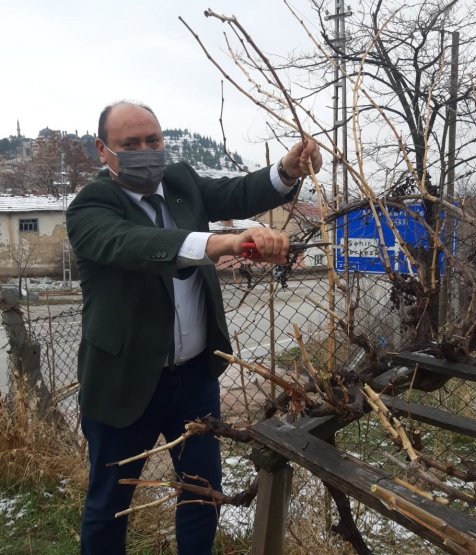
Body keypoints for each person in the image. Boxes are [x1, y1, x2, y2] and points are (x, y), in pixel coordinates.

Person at [66, 100, 322, 555]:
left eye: (153, 140)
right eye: (131, 144)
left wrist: (285, 170)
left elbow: (237, 192)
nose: (146, 151)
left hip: (193, 381)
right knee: (109, 504)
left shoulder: (181, 182)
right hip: (123, 383)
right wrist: (222, 242)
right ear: (104, 152)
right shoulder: (89, 208)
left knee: (202, 493)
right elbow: (136, 244)